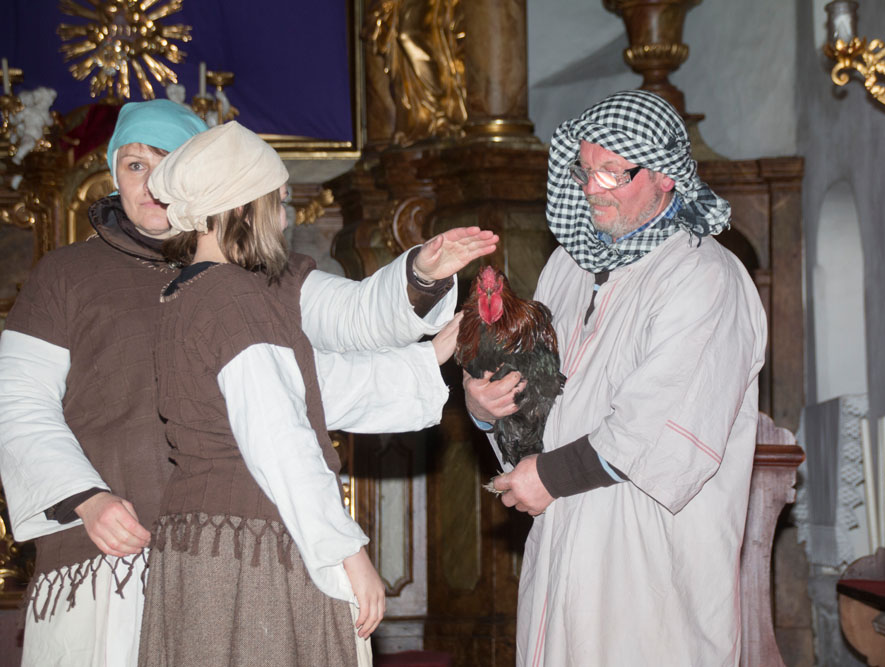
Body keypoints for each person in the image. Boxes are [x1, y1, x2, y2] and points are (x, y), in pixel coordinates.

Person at [0, 100, 494, 667]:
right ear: (112, 174)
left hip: (224, 549)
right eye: (136, 165)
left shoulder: (256, 277)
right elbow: (17, 401)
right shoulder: (67, 275)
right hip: (113, 557)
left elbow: (326, 356)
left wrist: (422, 279)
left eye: (168, 163)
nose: (153, 183)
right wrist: (87, 498)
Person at [463, 90, 768, 666]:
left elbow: (659, 430)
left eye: (612, 172)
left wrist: (548, 476)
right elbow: (543, 406)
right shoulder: (568, 266)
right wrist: (487, 410)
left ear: (665, 176)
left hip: (646, 562)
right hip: (561, 547)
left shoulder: (702, 276)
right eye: (584, 171)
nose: (591, 188)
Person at [137, 120, 457, 666]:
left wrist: (429, 359)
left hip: (199, 543)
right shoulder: (237, 296)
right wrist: (349, 551)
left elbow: (303, 390)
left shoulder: (184, 293)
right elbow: (281, 438)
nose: (284, 219)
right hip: (251, 546)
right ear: (243, 206)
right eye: (278, 202)